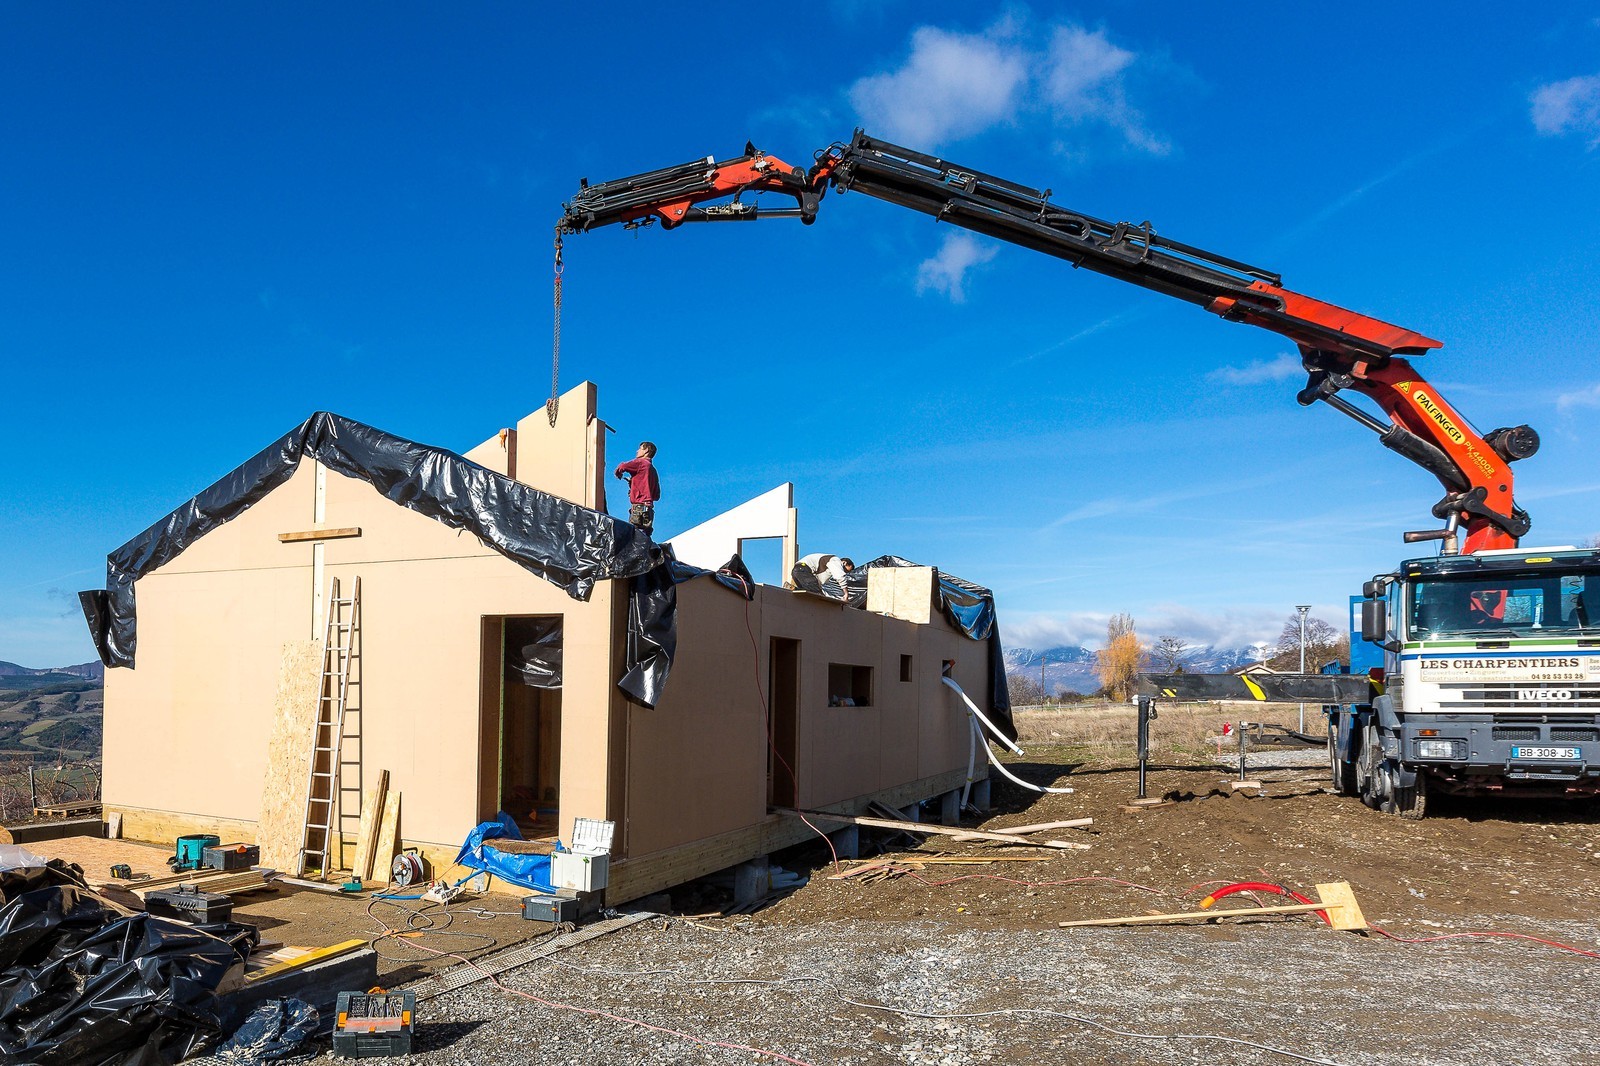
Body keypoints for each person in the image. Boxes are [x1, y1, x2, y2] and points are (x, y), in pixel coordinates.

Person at [614, 441, 660, 534]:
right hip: (649, 510)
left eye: (640, 448)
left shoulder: (641, 462)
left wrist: (618, 473)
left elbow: (623, 466)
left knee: (634, 537)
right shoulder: (653, 470)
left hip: (639, 508)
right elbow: (656, 496)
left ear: (646, 450)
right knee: (644, 539)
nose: (637, 451)